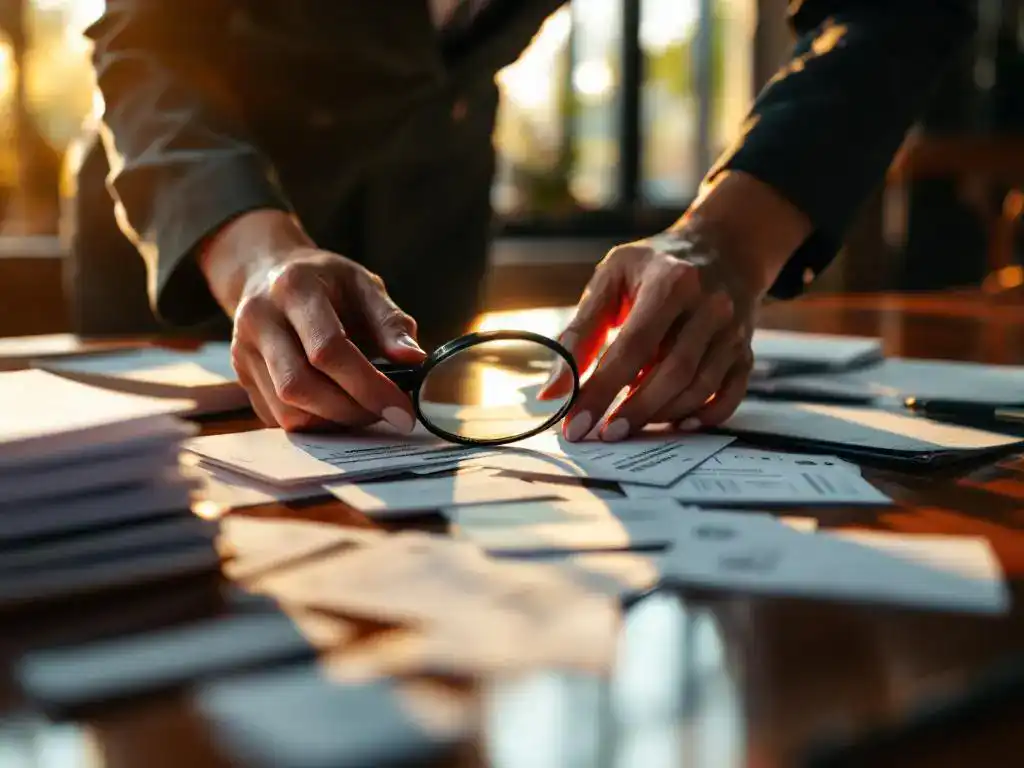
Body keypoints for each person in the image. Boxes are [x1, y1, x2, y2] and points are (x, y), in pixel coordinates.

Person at [87, 0, 976, 442]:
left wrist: (729, 242)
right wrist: (254, 257)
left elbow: (898, 10)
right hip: (195, 230)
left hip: (427, 226)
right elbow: (147, 39)